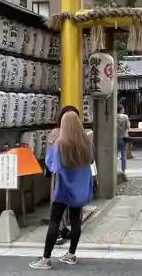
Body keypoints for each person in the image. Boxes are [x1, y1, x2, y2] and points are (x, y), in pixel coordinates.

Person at [30, 111, 95, 270]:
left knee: (54, 221)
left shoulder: (60, 145)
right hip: (80, 190)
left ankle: (46, 259)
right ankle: (71, 254)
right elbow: (92, 161)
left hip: (63, 189)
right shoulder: (88, 143)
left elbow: (52, 167)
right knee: (76, 221)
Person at [46, 105, 80, 245]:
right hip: (71, 177)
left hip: (61, 176)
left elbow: (49, 159)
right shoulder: (79, 136)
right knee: (72, 213)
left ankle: (60, 232)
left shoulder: (59, 135)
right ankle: (65, 237)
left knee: (58, 211)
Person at [117, 105, 130, 172]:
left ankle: (114, 170)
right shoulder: (125, 117)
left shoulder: (114, 116)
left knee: (114, 155)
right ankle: (123, 170)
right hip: (123, 136)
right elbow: (128, 126)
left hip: (115, 137)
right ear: (121, 109)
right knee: (123, 154)